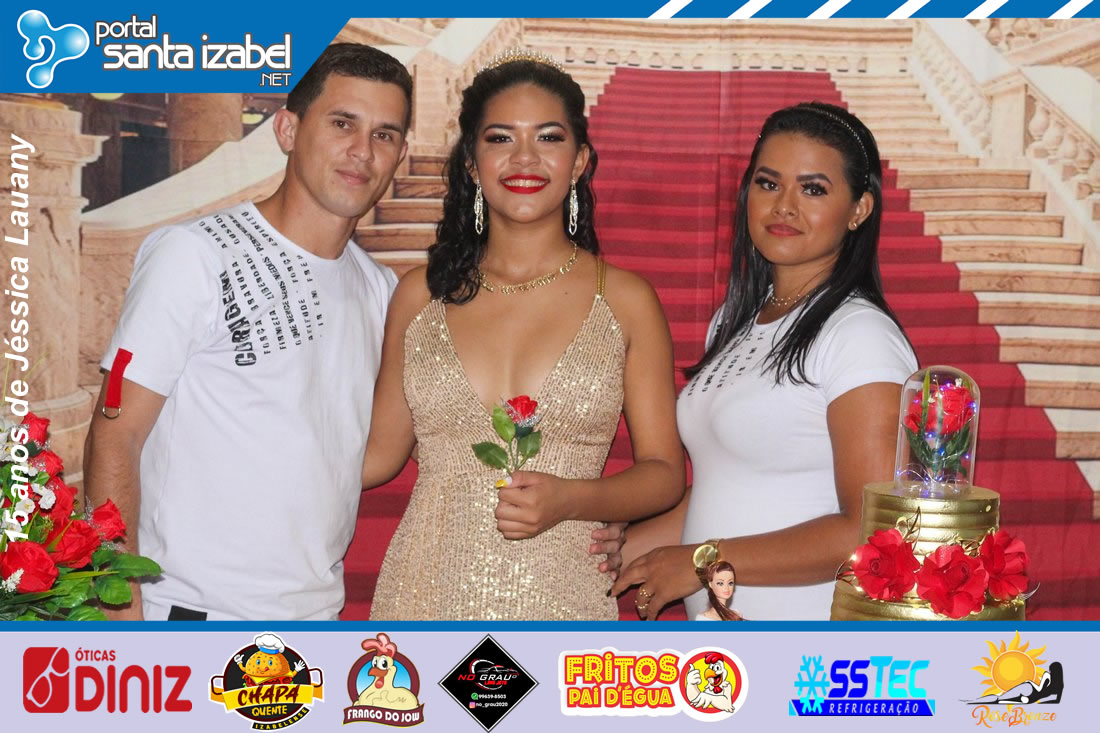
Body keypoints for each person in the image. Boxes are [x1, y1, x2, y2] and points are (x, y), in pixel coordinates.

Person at [83, 43, 414, 621]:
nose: (362, 151)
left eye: (384, 134)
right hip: (189, 614)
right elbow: (116, 434)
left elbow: (348, 455)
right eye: (342, 123)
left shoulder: (381, 289)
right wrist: (118, 609)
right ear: (287, 130)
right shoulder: (194, 254)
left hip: (316, 619)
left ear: (400, 154)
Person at [362, 49, 685, 620]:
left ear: (579, 160)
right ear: (471, 162)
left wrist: (572, 498)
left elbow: (663, 473)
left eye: (549, 137)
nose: (525, 158)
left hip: (566, 600)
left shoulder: (626, 300)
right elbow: (377, 456)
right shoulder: (419, 295)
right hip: (423, 594)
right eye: (501, 138)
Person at [612, 102, 918, 620]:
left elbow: (874, 532)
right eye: (769, 183)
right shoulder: (734, 320)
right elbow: (726, 492)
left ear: (859, 209)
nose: (784, 207)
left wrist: (705, 561)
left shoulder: (859, 335)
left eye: (813, 189)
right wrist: (609, 557)